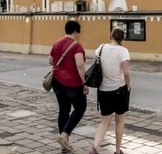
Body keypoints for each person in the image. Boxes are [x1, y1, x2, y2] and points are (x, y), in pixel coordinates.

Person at [90, 27, 131, 154]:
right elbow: (126, 72)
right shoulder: (123, 51)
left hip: (103, 90)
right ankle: (118, 150)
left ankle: (95, 146)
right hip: (119, 89)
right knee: (120, 121)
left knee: (104, 122)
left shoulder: (101, 48)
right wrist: (128, 86)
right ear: (122, 38)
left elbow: (94, 67)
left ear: (111, 35)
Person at [49, 20, 87, 153]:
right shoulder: (77, 46)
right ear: (75, 31)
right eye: (78, 32)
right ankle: (64, 135)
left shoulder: (57, 43)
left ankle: (64, 145)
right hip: (73, 84)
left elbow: (50, 61)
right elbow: (80, 65)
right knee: (80, 108)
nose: (78, 35)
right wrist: (85, 83)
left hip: (57, 83)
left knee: (63, 111)